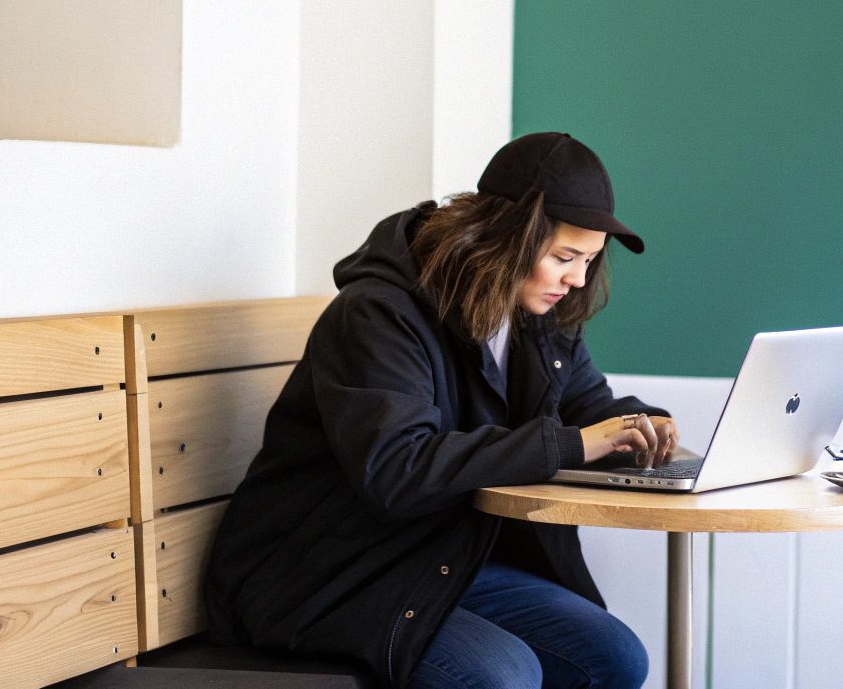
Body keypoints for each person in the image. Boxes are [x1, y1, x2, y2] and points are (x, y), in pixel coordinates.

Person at [204, 132, 677, 688]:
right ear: (506, 238)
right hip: (326, 572)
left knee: (615, 657)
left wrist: (645, 423)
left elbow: (588, 405)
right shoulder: (379, 314)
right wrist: (575, 443)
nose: (575, 280)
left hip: (442, 554)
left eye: (587, 261)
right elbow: (398, 469)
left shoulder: (535, 316)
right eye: (564, 257)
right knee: (505, 675)